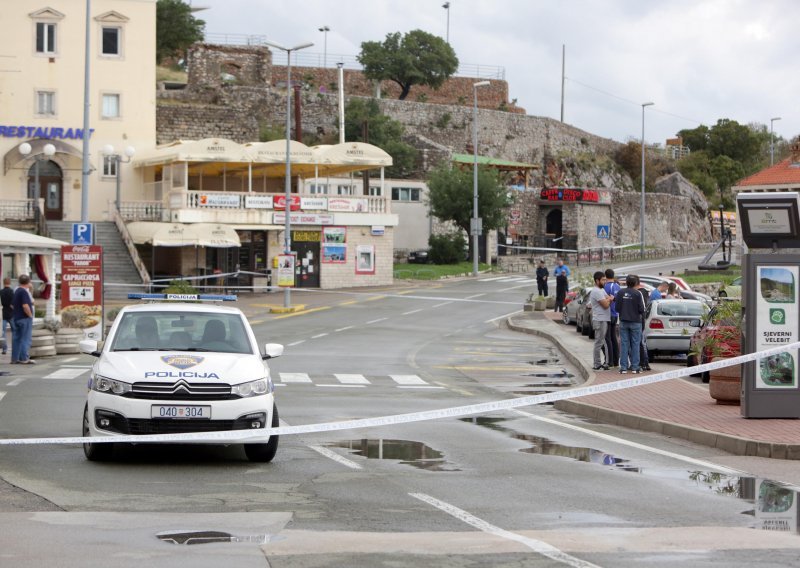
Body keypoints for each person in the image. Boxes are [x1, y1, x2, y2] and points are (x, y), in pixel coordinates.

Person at [614, 274, 645, 374]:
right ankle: (635, 367)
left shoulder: (620, 292)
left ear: (626, 282)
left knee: (624, 344)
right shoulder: (638, 293)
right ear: (636, 283)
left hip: (623, 321)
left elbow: (617, 308)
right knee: (635, 344)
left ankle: (623, 367)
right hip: (636, 322)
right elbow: (642, 309)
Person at [589, 271, 613, 371]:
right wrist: (609, 299)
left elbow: (608, 298)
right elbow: (606, 304)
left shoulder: (601, 290)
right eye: (603, 280)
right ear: (597, 280)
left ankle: (605, 362)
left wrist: (608, 299)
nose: (605, 281)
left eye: (605, 279)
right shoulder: (596, 291)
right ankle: (597, 363)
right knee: (599, 342)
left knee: (602, 341)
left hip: (603, 319)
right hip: (600, 320)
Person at [11, 274, 35, 364]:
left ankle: (15, 358)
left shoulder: (16, 291)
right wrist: (30, 315)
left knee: (17, 338)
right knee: (25, 338)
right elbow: (25, 305)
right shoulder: (24, 292)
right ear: (28, 282)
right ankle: (24, 358)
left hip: (16, 317)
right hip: (24, 318)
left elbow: (12, 305)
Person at [603, 268, 621, 367]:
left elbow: (603, 299)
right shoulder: (618, 286)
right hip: (615, 314)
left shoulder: (606, 286)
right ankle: (616, 361)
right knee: (614, 337)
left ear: (605, 276)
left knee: (607, 338)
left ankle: (609, 361)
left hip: (608, 313)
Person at [636, 279, 652, 372]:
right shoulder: (645, 293)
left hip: (639, 321)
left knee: (640, 343)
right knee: (643, 343)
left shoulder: (639, 293)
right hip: (642, 321)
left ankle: (643, 363)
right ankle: (645, 363)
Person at [0, 277, 13, 356]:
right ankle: (15, 347)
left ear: (4, 283)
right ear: (10, 282)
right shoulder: (12, 292)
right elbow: (13, 304)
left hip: (4, 313)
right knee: (15, 331)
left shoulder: (1, 292)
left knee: (3, 332)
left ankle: (4, 348)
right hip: (11, 313)